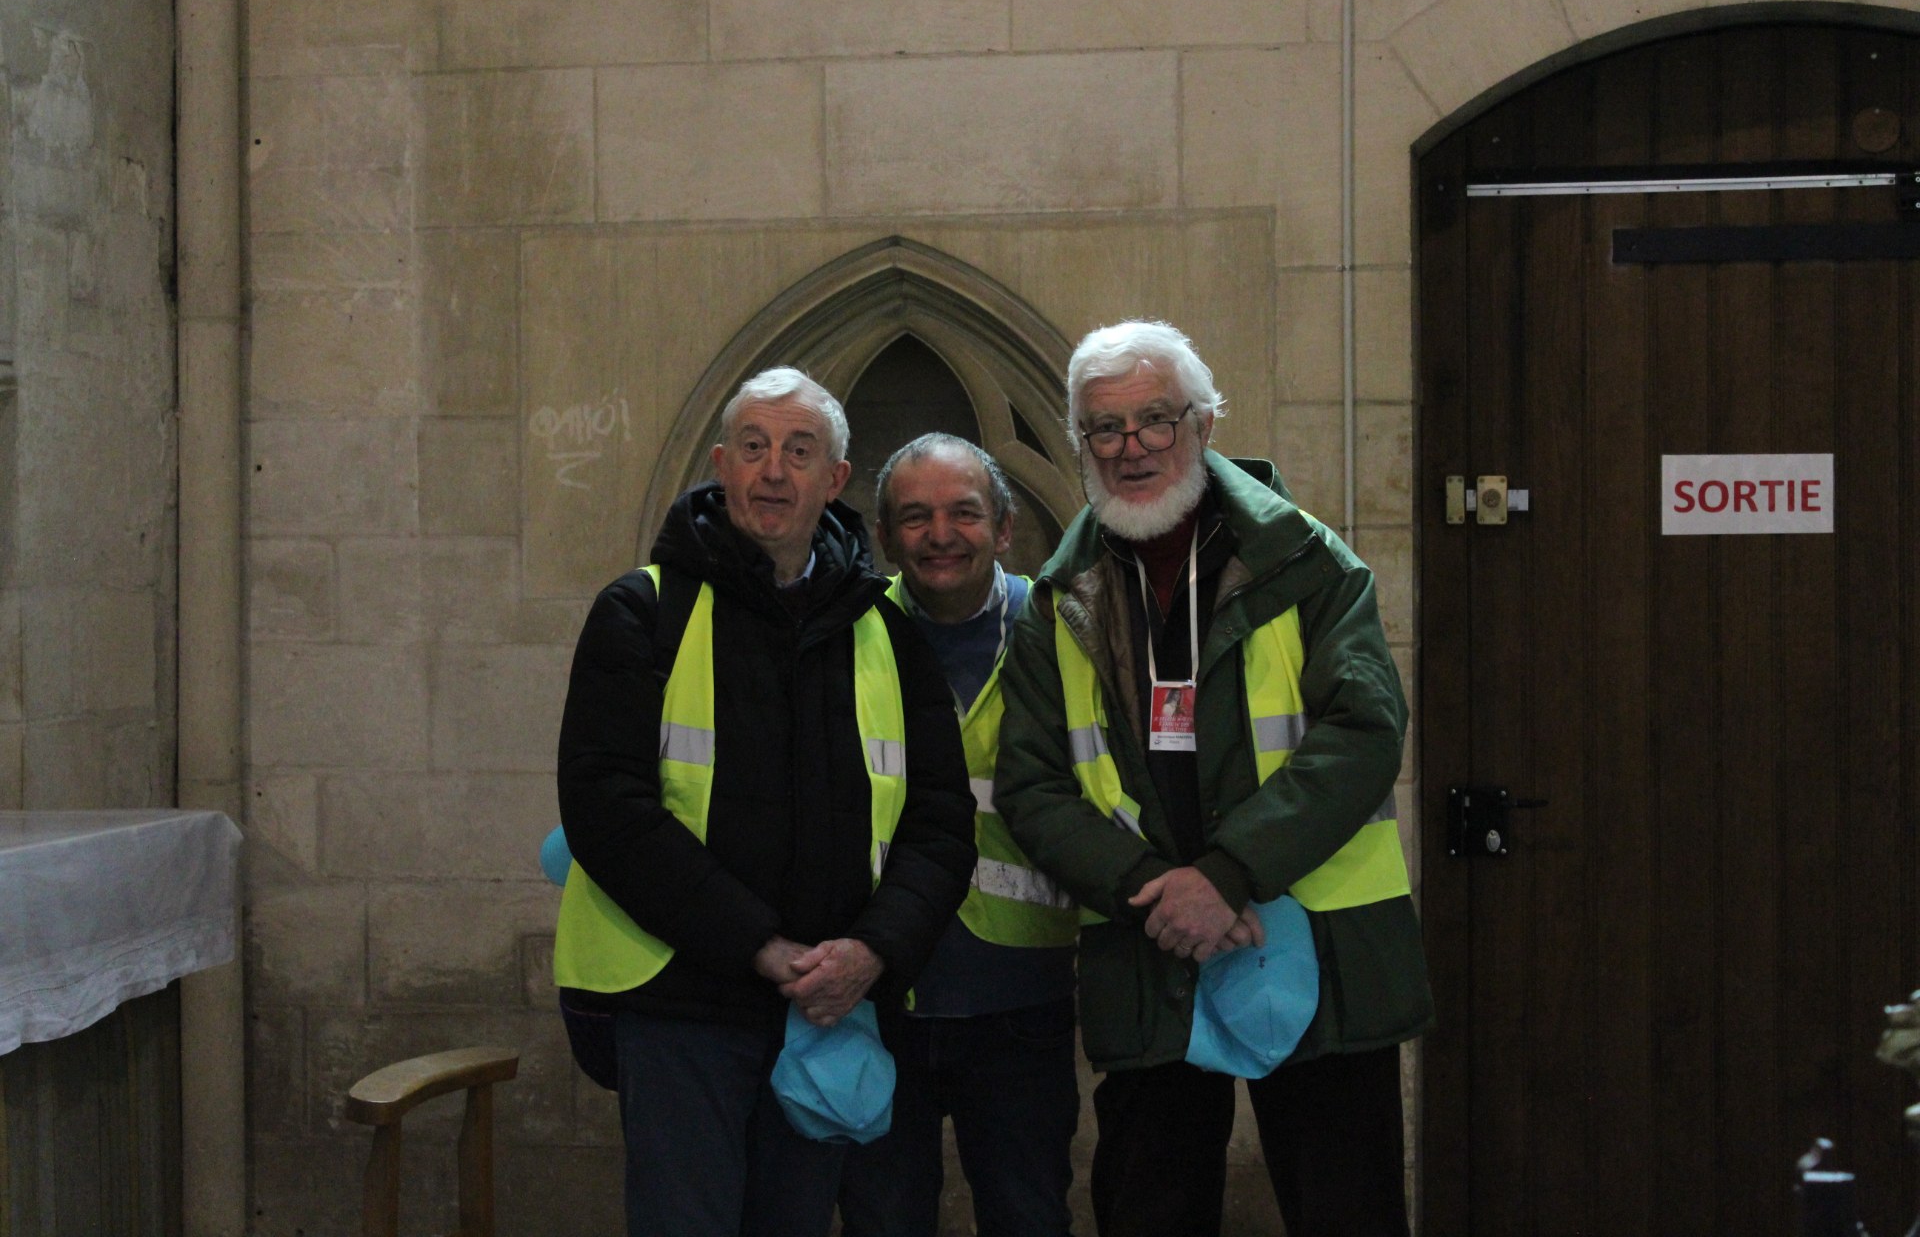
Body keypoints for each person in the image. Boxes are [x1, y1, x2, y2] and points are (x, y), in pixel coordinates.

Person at [993, 322, 1433, 1237]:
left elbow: (1365, 731)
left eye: (1155, 419)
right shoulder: (1058, 596)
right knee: (1150, 1208)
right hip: (1150, 941)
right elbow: (1032, 786)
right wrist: (1160, 894)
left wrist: (1227, 875)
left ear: (1202, 423)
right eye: (1103, 430)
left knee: (1346, 1211)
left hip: (1318, 939)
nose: (1132, 448)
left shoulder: (1307, 562)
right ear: (1080, 446)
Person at [553, 368, 976, 1237]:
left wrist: (872, 950)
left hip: (826, 1005)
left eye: (798, 451)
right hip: (680, 1008)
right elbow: (607, 808)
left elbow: (939, 822)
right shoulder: (643, 612)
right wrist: (758, 944)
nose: (772, 471)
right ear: (720, 465)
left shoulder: (888, 635)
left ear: (835, 479)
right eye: (752, 448)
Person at [837, 435, 1081, 1237]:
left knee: (1027, 1215)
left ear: (1005, 528)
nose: (940, 534)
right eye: (915, 516)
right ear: (883, 538)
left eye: (964, 513)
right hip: (883, 995)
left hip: (1022, 998)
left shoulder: (1062, 632)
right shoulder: (848, 636)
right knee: (883, 1219)